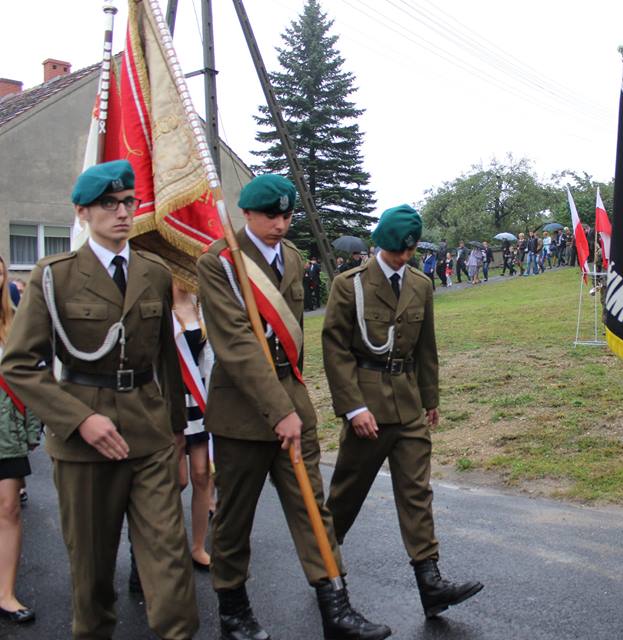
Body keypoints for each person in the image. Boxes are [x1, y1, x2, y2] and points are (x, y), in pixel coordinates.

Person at [0, 160, 198, 639]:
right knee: (92, 575)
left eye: (129, 201)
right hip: (84, 445)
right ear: (82, 212)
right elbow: (19, 364)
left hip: (149, 435)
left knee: (171, 566)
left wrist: (176, 434)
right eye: (108, 204)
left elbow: (166, 359)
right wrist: (80, 420)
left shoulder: (153, 272)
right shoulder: (55, 275)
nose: (122, 212)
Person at [197, 174, 389, 640]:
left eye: (286, 215)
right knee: (234, 518)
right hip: (241, 412)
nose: (280, 225)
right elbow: (236, 344)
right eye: (271, 216)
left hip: (292, 403)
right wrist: (278, 408)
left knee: (312, 509)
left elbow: (294, 339)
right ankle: (234, 611)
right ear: (246, 213)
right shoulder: (220, 262)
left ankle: (336, 607)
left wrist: (293, 403)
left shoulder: (293, 258)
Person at [322, 204, 483, 621]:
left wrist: (431, 399)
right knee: (346, 495)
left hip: (409, 403)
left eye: (410, 251)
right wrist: (353, 407)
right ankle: (324, 573)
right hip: (367, 407)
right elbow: (335, 350)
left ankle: (430, 583)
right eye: (397, 251)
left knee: (416, 492)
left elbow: (426, 346)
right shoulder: (349, 286)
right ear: (381, 244)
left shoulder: (420, 284)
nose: (404, 258)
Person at [0, 254, 39, 625]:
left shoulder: (14, 324)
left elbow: (31, 376)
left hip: (6, 431)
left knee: (9, 507)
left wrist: (32, 428)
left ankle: (6, 594)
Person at [172, 283, 215, 570]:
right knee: (178, 480)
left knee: (202, 475)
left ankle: (198, 547)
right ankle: (161, 545)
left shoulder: (200, 303)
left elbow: (207, 356)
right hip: (170, 400)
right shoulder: (158, 300)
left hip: (198, 398)